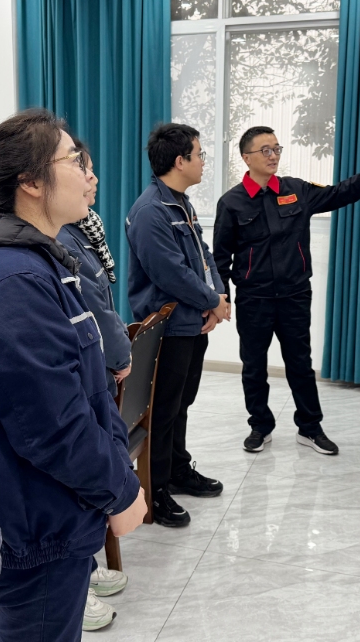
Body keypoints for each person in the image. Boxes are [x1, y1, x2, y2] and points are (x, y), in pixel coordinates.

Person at [0, 109, 148, 642]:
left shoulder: (36, 261)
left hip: (52, 512)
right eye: (75, 160)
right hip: (39, 525)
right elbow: (52, 425)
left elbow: (85, 392)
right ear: (30, 181)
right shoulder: (13, 278)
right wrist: (119, 490)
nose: (89, 172)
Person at [213, 126, 360, 455]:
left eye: (277, 149)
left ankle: (310, 427)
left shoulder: (297, 190)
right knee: (254, 366)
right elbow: (220, 256)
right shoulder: (231, 202)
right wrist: (222, 296)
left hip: (294, 295)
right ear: (246, 158)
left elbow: (339, 193)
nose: (273, 156)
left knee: (300, 364)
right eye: (265, 150)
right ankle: (260, 426)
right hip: (255, 299)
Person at [126, 122, 229, 528]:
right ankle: (155, 489)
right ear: (180, 160)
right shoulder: (151, 211)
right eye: (199, 154)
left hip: (192, 322)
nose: (203, 161)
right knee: (162, 411)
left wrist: (218, 297)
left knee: (181, 403)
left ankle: (178, 469)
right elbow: (170, 273)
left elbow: (204, 256)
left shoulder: (179, 203)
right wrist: (212, 301)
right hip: (167, 328)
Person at [56, 136, 134, 632]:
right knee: (74, 481)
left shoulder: (83, 229)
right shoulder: (59, 241)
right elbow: (94, 311)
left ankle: (83, 570)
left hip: (96, 362)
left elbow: (103, 301)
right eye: (81, 168)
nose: (93, 179)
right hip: (90, 365)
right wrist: (119, 353)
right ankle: (76, 583)